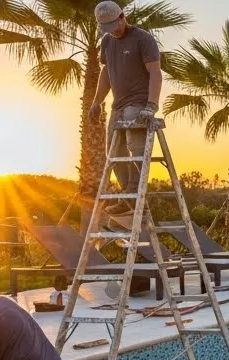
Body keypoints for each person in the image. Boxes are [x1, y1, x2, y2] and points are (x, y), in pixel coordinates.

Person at [86, 1, 162, 210]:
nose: (113, 31)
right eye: (107, 29)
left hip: (138, 103)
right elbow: (106, 73)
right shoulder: (107, 41)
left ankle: (133, 199)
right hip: (117, 105)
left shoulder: (143, 39)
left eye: (114, 26)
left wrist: (151, 106)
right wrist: (97, 102)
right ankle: (130, 198)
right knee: (113, 153)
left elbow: (155, 73)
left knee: (135, 149)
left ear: (122, 17)